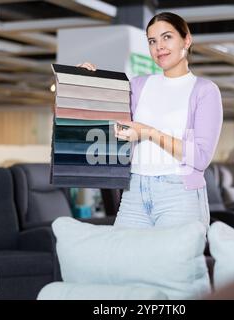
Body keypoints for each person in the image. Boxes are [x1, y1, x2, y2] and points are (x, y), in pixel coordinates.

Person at [77, 12, 223, 229]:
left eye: (167, 37)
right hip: (134, 190)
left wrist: (150, 132)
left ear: (187, 39)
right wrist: (84, 84)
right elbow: (107, 122)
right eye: (152, 41)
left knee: (173, 263)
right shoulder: (138, 85)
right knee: (123, 261)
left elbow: (200, 157)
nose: (159, 47)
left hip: (178, 194)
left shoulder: (205, 91)